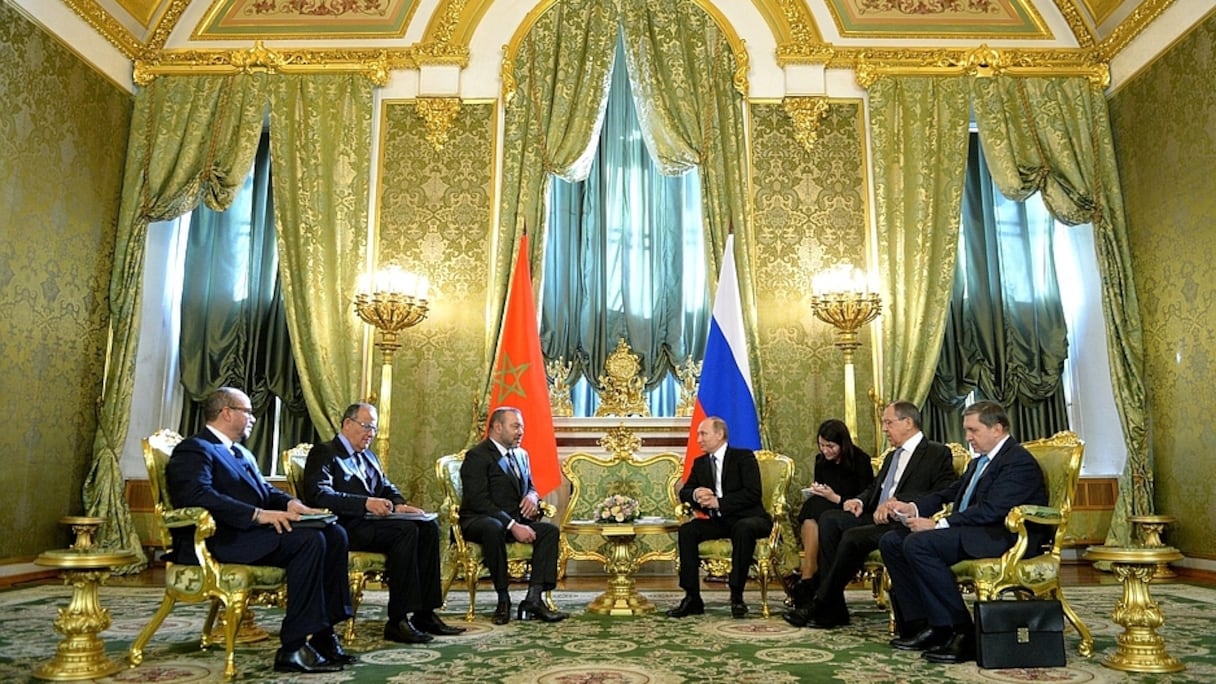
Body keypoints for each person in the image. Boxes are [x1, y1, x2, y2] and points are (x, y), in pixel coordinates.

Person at [165, 387, 353, 674]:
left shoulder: (240, 452)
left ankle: (323, 633)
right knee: (309, 541)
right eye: (248, 412)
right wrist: (257, 514)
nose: (253, 418)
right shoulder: (194, 448)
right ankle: (294, 647)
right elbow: (197, 495)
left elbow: (264, 490)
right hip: (218, 539)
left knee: (334, 533)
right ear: (226, 412)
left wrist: (292, 504)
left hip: (247, 535)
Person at [879, 400, 1048, 664]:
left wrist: (938, 524)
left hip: (1003, 537)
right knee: (891, 541)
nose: (967, 437)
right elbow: (951, 492)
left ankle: (962, 631)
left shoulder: (1017, 462)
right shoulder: (979, 461)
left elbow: (992, 510)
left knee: (919, 544)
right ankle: (926, 624)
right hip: (974, 530)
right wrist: (913, 507)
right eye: (966, 430)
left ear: (997, 429)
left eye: (973, 430)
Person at [301, 403, 466, 644]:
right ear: (347, 424)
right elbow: (319, 494)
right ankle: (398, 619)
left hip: (373, 524)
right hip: (345, 526)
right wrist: (365, 503)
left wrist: (399, 504)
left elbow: (386, 486)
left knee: (427, 526)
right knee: (406, 531)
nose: (370, 434)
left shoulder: (369, 455)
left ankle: (425, 613)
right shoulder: (324, 452)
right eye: (366, 427)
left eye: (374, 429)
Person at [785, 400, 956, 629]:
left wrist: (902, 502)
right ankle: (834, 609)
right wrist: (858, 500)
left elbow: (943, 490)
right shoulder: (891, 456)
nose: (884, 428)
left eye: (888, 422)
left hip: (902, 520)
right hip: (875, 515)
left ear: (907, 423)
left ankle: (820, 603)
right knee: (829, 519)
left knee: (852, 537)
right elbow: (875, 488)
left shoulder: (936, 453)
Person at [459, 406, 568, 625]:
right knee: (493, 527)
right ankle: (503, 599)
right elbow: (478, 501)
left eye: (522, 427)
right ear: (498, 427)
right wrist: (511, 525)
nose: (521, 432)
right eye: (515, 426)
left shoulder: (521, 454)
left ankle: (534, 599)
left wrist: (532, 496)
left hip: (514, 520)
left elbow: (531, 487)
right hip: (480, 520)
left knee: (549, 532)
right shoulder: (477, 456)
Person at [668, 417, 773, 619]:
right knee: (688, 530)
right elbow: (685, 492)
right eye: (698, 434)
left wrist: (719, 502)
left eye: (703, 433)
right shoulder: (700, 463)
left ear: (719, 434)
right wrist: (696, 493)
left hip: (751, 518)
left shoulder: (743, 457)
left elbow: (753, 493)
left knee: (743, 529)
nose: (698, 439)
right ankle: (692, 598)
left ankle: (737, 596)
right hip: (720, 522)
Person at [793, 419, 874, 584]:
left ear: (842, 444)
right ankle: (810, 569)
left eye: (830, 446)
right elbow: (822, 488)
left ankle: (808, 572)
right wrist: (818, 490)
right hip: (825, 508)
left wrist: (835, 498)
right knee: (813, 507)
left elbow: (867, 498)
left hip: (853, 511)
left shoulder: (860, 460)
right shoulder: (820, 460)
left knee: (814, 509)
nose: (825, 450)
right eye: (821, 445)